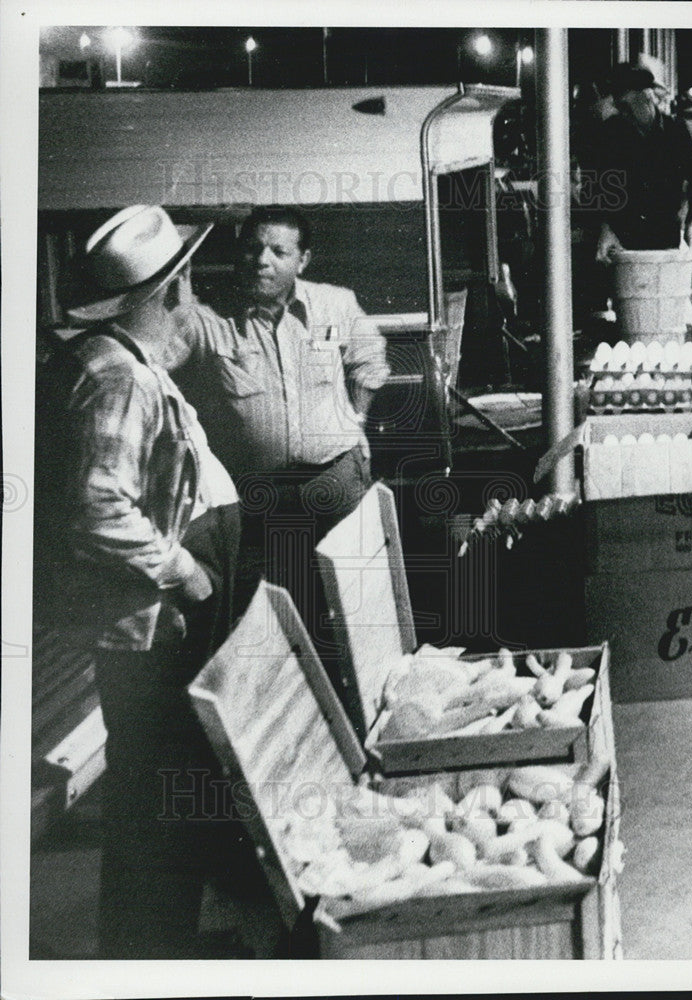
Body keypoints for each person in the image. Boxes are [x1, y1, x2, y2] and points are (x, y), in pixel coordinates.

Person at [34, 205, 260, 958]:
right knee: (157, 803)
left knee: (168, 793)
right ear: (169, 292)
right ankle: (147, 953)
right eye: (188, 289)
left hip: (162, 619)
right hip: (154, 625)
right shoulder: (120, 377)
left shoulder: (116, 361)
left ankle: (162, 942)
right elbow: (98, 507)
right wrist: (187, 570)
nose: (194, 306)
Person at [164, 205, 390, 641]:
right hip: (254, 499)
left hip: (335, 482)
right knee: (261, 618)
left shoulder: (335, 304)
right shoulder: (203, 319)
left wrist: (355, 421)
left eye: (277, 251)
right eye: (252, 248)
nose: (261, 260)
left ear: (302, 260)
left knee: (355, 603)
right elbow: (153, 367)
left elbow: (371, 364)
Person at [592, 63, 692, 263]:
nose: (622, 113)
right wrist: (606, 227)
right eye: (619, 107)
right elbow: (599, 186)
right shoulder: (611, 133)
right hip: (621, 240)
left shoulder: (681, 132)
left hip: (665, 238)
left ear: (647, 97)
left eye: (625, 106)